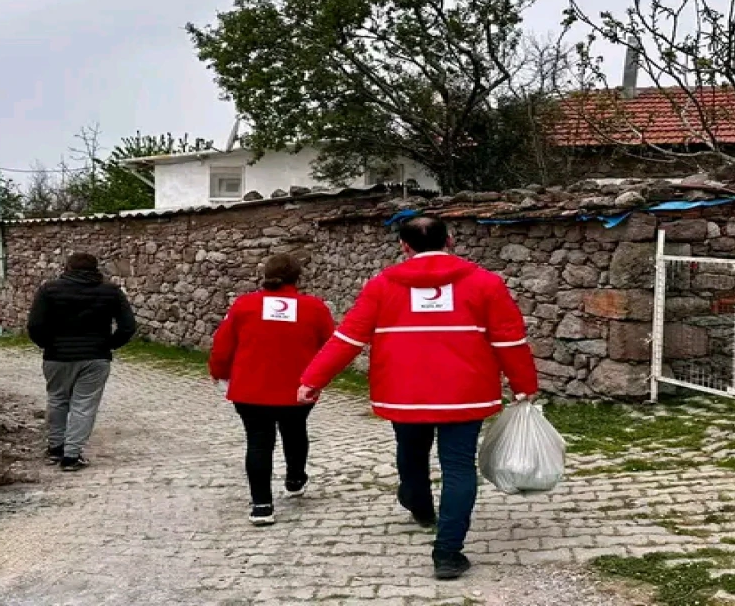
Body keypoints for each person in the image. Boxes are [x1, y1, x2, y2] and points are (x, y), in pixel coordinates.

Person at [298, 216, 538, 580]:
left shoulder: (381, 286)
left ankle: (420, 504)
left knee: (410, 451)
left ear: (403, 246)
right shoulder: (485, 284)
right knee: (458, 467)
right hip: (465, 393)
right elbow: (509, 339)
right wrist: (524, 385)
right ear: (451, 239)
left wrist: (313, 379)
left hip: (403, 392)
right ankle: (447, 553)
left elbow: (348, 338)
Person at [209, 253, 336, 526]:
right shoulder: (314, 308)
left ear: (265, 275)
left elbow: (222, 344)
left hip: (251, 389)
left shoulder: (244, 305)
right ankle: (295, 477)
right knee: (295, 431)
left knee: (258, 442)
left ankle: (261, 505)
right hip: (298, 388)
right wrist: (320, 379)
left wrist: (219, 373)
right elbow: (330, 346)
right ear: (298, 277)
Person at [27, 252, 137, 471]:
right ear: (96, 269)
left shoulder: (49, 290)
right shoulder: (111, 292)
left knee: (57, 400)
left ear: (67, 268)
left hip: (57, 356)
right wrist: (109, 344)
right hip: (95, 357)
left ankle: (55, 447)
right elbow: (128, 326)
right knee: (84, 405)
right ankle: (72, 455)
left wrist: (47, 344)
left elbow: (35, 325)